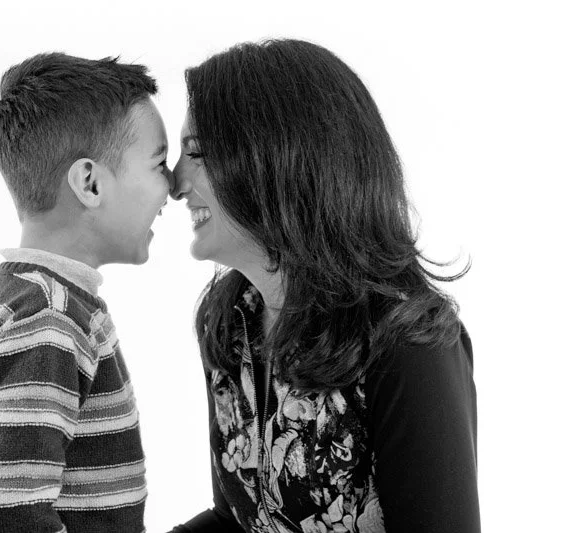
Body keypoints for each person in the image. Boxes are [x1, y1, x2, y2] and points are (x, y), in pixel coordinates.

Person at [168, 39, 479, 533]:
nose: (175, 181)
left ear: (275, 158)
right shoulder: (229, 321)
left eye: (197, 152)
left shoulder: (409, 344)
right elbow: (237, 521)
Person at [0, 52, 173, 533]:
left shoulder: (37, 297)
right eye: (159, 163)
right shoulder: (49, 318)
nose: (173, 186)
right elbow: (10, 516)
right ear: (90, 182)